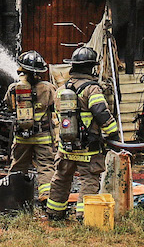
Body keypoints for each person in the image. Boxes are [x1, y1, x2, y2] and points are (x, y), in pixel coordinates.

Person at [44, 46, 118, 222]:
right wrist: (112, 133)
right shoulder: (92, 89)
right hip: (88, 148)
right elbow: (100, 112)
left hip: (66, 146)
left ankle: (54, 212)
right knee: (89, 180)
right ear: (91, 68)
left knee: (61, 178)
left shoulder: (62, 89)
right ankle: (84, 215)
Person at [3, 50, 57, 202]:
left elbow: (9, 106)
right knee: (46, 166)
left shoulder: (14, 88)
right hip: (43, 136)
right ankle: (46, 196)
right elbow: (55, 107)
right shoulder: (48, 88)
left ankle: (14, 196)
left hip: (22, 136)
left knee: (18, 166)